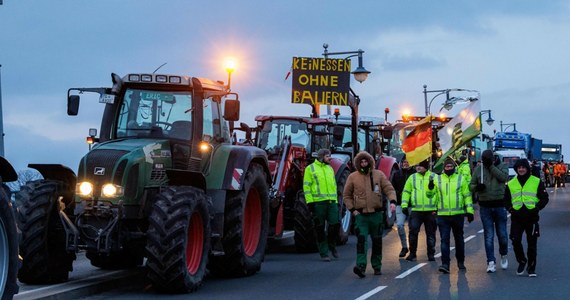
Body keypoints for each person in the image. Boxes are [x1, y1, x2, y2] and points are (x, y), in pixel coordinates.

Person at [343, 151, 397, 278]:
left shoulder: (379, 175)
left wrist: (393, 201)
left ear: (370, 162)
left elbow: (389, 189)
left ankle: (377, 266)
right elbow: (346, 195)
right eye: (361, 162)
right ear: (358, 163)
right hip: (361, 216)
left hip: (376, 215)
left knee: (377, 241)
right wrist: (352, 210)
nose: (363, 163)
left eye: (365, 161)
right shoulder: (353, 177)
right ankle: (361, 266)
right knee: (361, 241)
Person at [504, 159, 549, 277]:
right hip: (517, 217)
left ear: (527, 169)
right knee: (515, 240)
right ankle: (522, 260)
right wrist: (510, 209)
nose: (521, 169)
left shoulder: (536, 181)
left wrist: (537, 208)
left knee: (532, 244)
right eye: (519, 168)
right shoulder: (511, 183)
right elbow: (506, 199)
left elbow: (544, 198)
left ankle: (531, 268)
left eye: (523, 167)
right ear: (516, 169)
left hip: (532, 217)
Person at [429, 158, 474, 273]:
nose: (449, 168)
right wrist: (430, 186)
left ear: (454, 167)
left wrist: (470, 211)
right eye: (447, 167)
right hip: (443, 215)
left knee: (459, 240)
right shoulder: (437, 179)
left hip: (458, 215)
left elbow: (467, 196)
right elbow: (430, 195)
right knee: (444, 240)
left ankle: (460, 262)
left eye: (450, 167)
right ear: (444, 168)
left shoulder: (461, 179)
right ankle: (445, 264)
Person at [470, 150, 509, 273]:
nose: (484, 161)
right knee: (489, 235)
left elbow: (503, 177)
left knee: (502, 234)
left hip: (499, 205)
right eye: (483, 159)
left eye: (487, 159)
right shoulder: (479, 170)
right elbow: (471, 185)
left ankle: (503, 254)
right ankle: (490, 261)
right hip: (485, 206)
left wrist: (491, 166)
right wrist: (477, 188)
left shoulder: (502, 166)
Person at [303, 148, 339, 262]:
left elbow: (334, 186)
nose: (330, 158)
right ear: (321, 157)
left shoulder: (330, 169)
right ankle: (324, 253)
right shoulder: (310, 169)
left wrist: (336, 201)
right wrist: (310, 202)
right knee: (319, 228)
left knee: (335, 225)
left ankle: (332, 245)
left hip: (332, 202)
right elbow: (307, 187)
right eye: (328, 156)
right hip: (318, 203)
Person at [401, 159, 437, 262]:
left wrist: (438, 207)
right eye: (417, 166)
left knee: (430, 234)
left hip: (431, 210)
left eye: (420, 166)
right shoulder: (412, 178)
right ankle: (412, 254)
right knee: (413, 232)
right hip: (416, 210)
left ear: (425, 167)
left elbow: (439, 192)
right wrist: (404, 205)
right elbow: (406, 192)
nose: (418, 168)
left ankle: (431, 254)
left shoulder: (434, 177)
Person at [391, 155, 416, 258]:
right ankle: (404, 247)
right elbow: (392, 188)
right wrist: (398, 194)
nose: (406, 164)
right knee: (400, 225)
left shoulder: (415, 175)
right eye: (404, 162)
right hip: (400, 204)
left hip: (412, 205)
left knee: (412, 228)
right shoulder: (397, 174)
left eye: (408, 162)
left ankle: (412, 249)